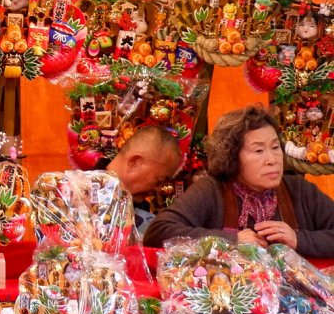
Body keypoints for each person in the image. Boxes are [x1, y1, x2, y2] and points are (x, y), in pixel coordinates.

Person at [143, 105, 334, 257]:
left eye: (275, 148)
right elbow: (158, 233)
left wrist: (299, 240)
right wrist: (231, 240)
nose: (272, 159)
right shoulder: (211, 191)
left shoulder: (299, 190)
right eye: (258, 150)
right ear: (232, 157)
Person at [103, 125, 183, 197]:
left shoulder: (140, 208)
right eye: (159, 181)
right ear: (134, 163)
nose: (158, 190)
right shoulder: (91, 193)